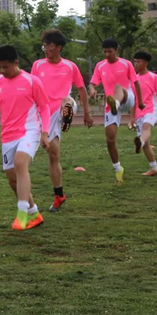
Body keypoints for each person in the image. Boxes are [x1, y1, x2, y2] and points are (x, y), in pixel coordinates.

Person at [0, 44, 50, 230]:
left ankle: (22, 213)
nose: (2, 70)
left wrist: (45, 133)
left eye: (5, 67)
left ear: (16, 63)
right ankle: (34, 213)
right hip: (8, 135)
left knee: (20, 163)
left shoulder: (32, 81)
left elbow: (44, 107)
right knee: (13, 179)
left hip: (30, 131)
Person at [30, 29, 93, 211]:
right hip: (44, 113)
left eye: (49, 46)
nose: (46, 49)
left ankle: (67, 116)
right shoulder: (37, 65)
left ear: (58, 47)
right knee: (54, 154)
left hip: (61, 108)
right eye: (44, 46)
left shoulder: (70, 66)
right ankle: (59, 195)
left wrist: (87, 113)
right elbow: (31, 87)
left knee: (66, 101)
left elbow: (81, 89)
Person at [88, 38, 145, 184]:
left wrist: (140, 102)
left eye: (110, 51)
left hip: (127, 98)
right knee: (110, 139)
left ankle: (116, 103)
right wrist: (92, 90)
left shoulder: (126, 64)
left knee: (118, 87)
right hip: (111, 105)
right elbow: (92, 83)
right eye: (105, 51)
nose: (107, 54)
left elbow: (136, 84)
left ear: (116, 51)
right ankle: (118, 169)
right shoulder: (100, 65)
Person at [130, 51, 157, 176]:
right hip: (139, 113)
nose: (136, 64)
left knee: (146, 127)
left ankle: (140, 141)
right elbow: (134, 99)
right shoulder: (134, 80)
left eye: (138, 61)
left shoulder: (154, 77)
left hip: (151, 109)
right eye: (135, 61)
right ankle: (154, 168)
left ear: (146, 63)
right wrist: (132, 117)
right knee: (146, 145)